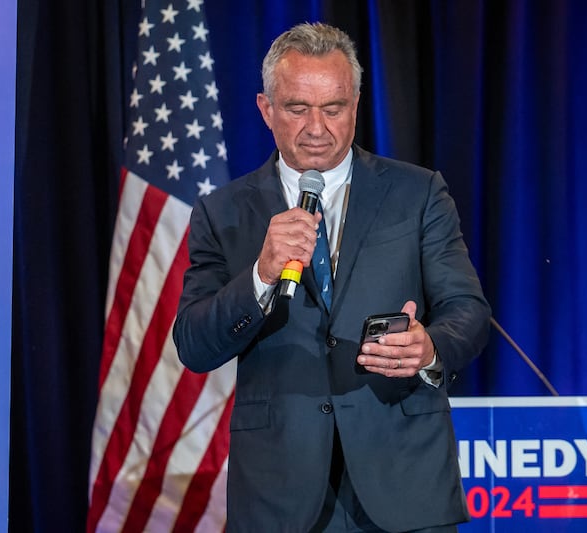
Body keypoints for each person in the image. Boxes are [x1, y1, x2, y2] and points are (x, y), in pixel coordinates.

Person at [173, 22, 490, 532]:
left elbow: (468, 310)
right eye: (298, 108)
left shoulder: (419, 193)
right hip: (280, 495)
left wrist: (429, 348)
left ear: (357, 105)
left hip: (404, 483)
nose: (317, 128)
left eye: (334, 108)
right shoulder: (222, 212)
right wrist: (260, 274)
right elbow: (193, 344)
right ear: (266, 109)